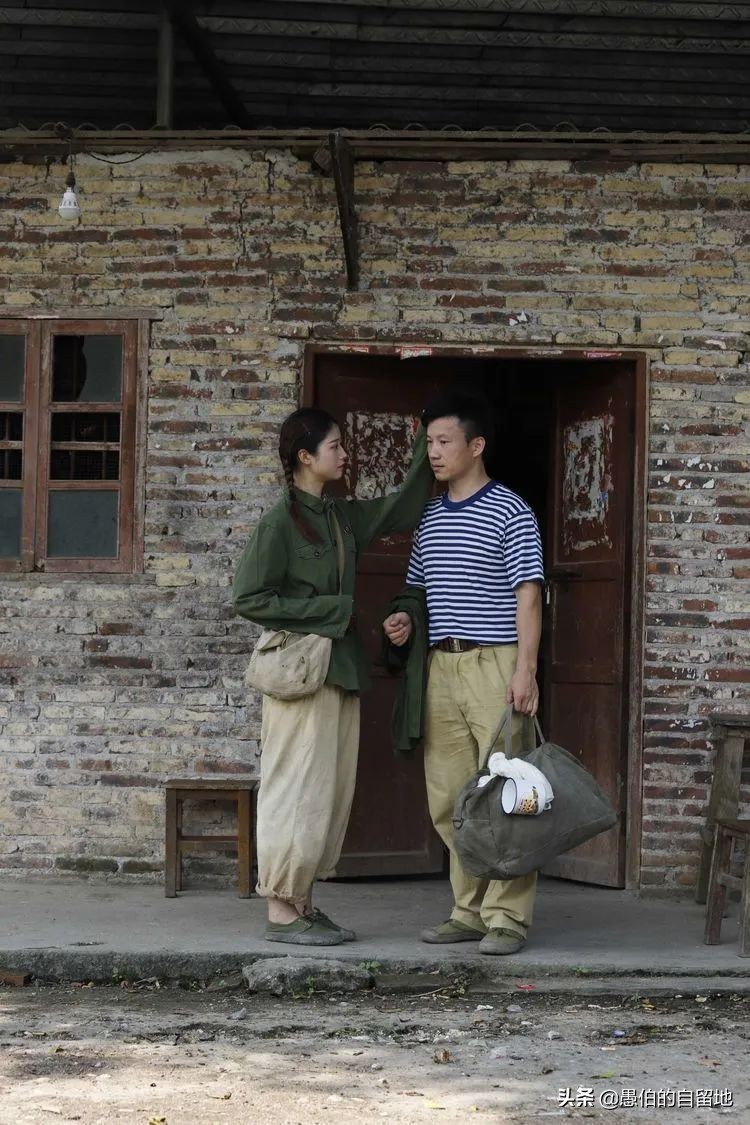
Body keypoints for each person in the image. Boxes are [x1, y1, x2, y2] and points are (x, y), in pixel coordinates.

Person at [234, 407, 433, 946]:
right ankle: (280, 911)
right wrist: (328, 610)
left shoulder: (341, 517)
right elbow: (248, 597)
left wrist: (424, 438)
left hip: (339, 670)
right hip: (301, 672)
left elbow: (404, 505)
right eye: (335, 447)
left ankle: (302, 902)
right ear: (305, 457)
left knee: (326, 793)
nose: (345, 455)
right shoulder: (279, 523)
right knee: (293, 789)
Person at [383, 390, 544, 956]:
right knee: (450, 797)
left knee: (507, 793)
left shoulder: (510, 510)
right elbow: (418, 588)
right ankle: (469, 911)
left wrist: (526, 670)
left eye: (444, 441)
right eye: (429, 442)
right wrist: (405, 618)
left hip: (495, 662)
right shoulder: (429, 515)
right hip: (441, 667)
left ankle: (508, 917)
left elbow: (529, 594)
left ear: (476, 446)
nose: (433, 452)